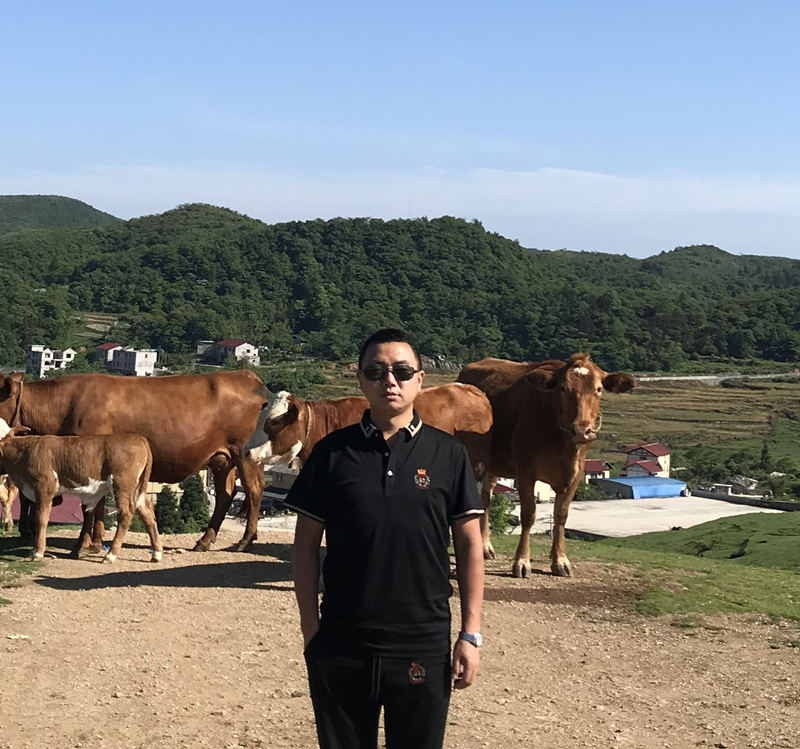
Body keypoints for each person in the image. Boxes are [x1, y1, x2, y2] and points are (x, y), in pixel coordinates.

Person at [286, 328, 485, 749]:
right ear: (361, 380)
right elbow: (304, 545)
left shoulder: (449, 454)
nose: (389, 381)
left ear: (419, 380)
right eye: (375, 372)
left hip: (423, 641)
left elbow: (470, 545)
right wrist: (310, 630)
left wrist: (470, 634)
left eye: (401, 371)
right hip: (341, 641)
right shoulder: (331, 453)